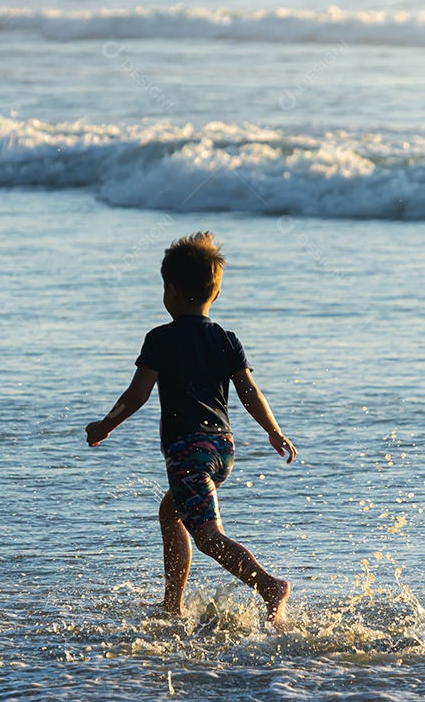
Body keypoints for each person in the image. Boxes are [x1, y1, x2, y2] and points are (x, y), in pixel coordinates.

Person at [84, 231, 295, 626]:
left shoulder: (161, 339)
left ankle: (269, 585)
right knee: (172, 514)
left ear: (171, 291)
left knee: (208, 536)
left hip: (187, 451)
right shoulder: (225, 338)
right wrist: (273, 430)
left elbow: (138, 393)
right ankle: (171, 603)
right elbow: (249, 391)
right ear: (214, 294)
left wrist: (106, 424)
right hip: (222, 449)